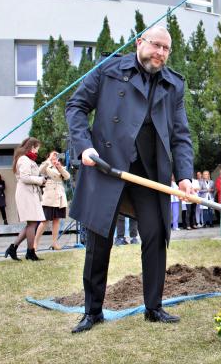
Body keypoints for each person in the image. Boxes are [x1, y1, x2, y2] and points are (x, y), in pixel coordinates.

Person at [65, 26, 194, 333]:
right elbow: (76, 106)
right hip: (106, 165)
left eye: (166, 49)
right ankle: (92, 311)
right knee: (99, 239)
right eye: (155, 46)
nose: (160, 53)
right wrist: (85, 147)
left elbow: (180, 135)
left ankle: (154, 307)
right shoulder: (108, 69)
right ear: (140, 43)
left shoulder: (173, 84)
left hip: (150, 173)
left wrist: (186, 176)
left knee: (154, 236)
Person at [4, 137, 45, 261]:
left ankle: (14, 248)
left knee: (32, 223)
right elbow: (25, 177)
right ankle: (30, 252)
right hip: (26, 194)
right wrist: (40, 180)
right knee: (33, 223)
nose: (38, 151)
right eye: (37, 148)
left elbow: (29, 176)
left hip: (29, 193)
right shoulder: (24, 159)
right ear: (32, 147)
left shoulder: (26, 159)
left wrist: (40, 180)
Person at [33, 151, 71, 250]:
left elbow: (67, 176)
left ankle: (54, 243)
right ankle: (35, 243)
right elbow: (39, 171)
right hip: (49, 195)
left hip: (59, 196)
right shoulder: (46, 165)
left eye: (56, 156)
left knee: (56, 220)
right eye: (53, 156)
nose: (55, 158)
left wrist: (59, 167)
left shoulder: (60, 167)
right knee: (44, 220)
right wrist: (48, 160)